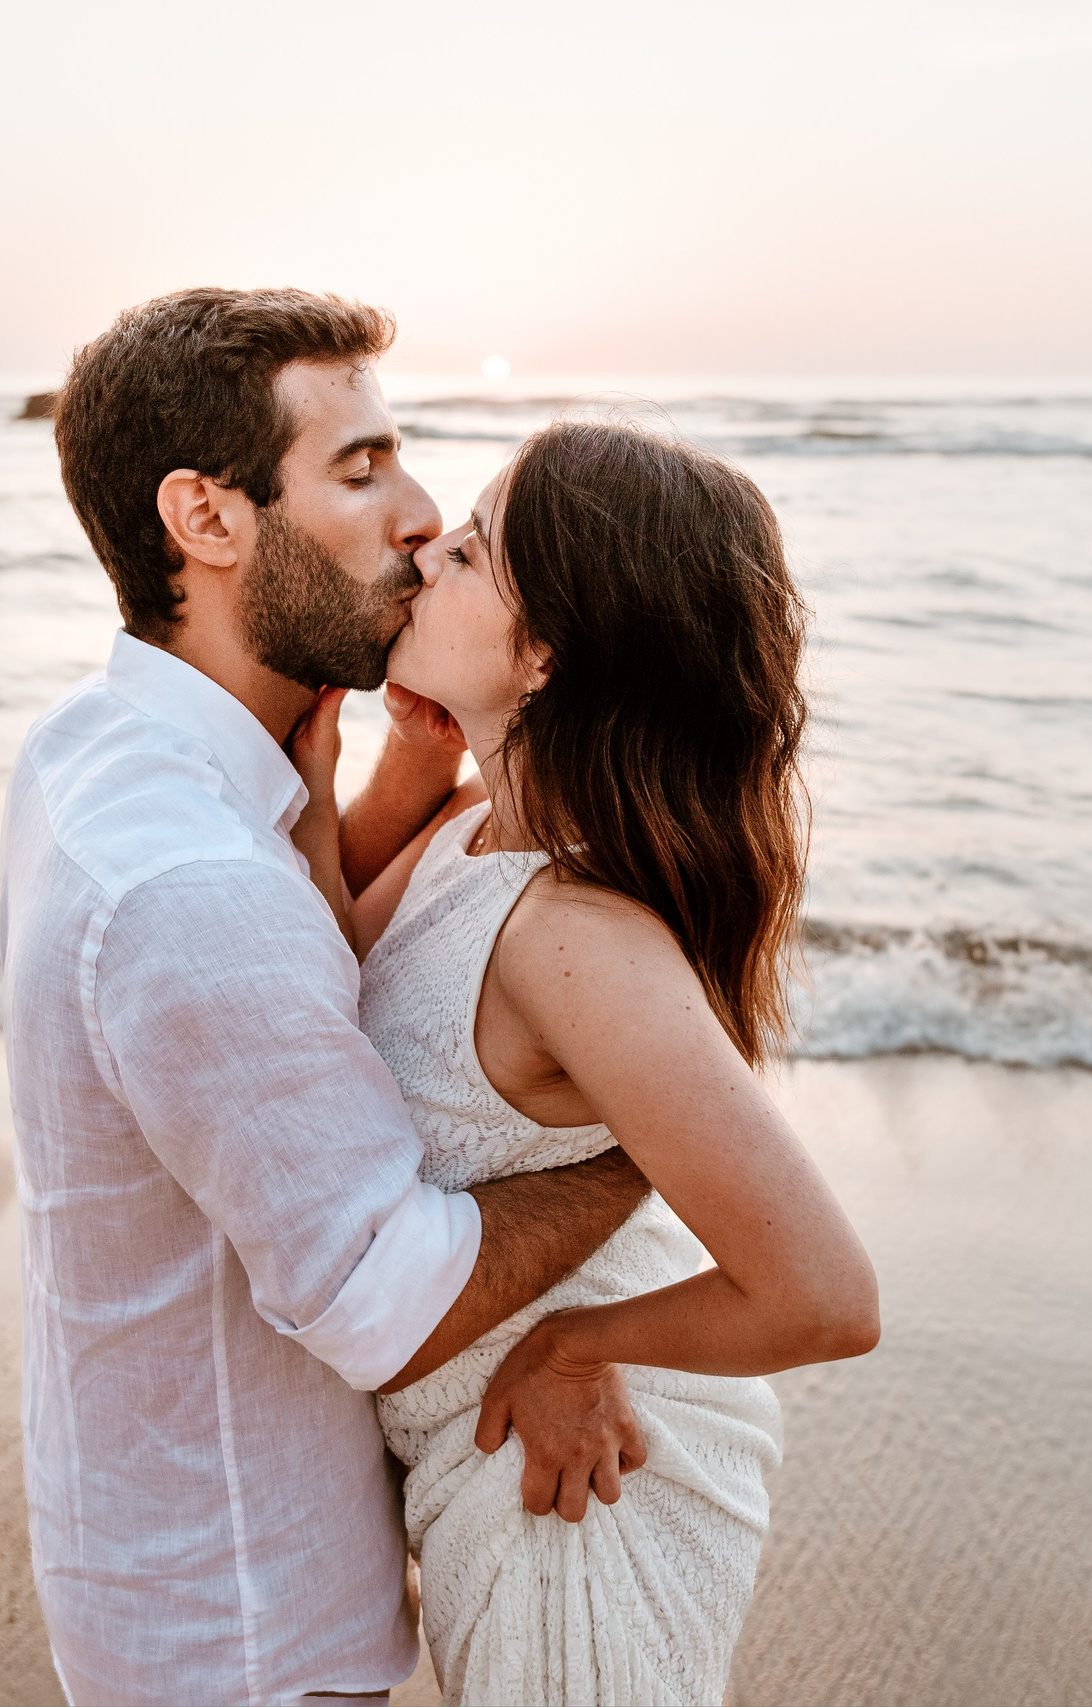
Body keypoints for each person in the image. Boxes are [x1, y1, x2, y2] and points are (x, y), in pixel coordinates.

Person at [1, 288, 659, 1705]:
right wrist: (639, 1154)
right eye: (360, 469)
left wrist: (397, 782)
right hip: (242, 1615)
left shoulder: (98, 746)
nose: (421, 515)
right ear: (209, 518)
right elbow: (389, 1301)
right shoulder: (187, 885)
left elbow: (277, 1014)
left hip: (155, 1516)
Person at [284, 420, 880, 1703]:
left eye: (477, 549)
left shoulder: (578, 937)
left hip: (579, 1454)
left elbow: (825, 1295)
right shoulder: (475, 827)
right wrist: (395, 762)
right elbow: (321, 987)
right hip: (487, 1433)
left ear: (545, 653)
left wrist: (572, 1349)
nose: (428, 546)